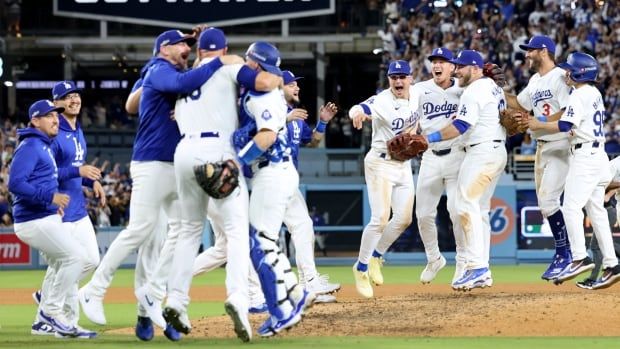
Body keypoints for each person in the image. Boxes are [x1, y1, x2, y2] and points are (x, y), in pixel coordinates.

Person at [78, 28, 241, 331]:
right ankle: (94, 290)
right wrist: (218, 61)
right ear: (164, 48)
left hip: (175, 164)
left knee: (179, 232)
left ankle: (152, 295)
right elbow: (179, 83)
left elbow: (180, 87)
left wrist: (205, 60)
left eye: (191, 45)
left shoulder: (171, 71)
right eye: (182, 44)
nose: (188, 49)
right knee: (140, 230)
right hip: (151, 162)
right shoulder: (159, 68)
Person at [139, 27, 279, 342]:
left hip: (184, 154)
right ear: (225, 48)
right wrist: (280, 78)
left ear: (199, 50)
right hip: (218, 151)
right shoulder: (228, 67)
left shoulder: (187, 75)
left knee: (188, 231)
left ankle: (175, 299)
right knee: (237, 233)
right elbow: (263, 81)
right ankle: (239, 300)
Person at [234, 41, 312, 337]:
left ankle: (280, 311)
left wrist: (239, 161)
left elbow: (266, 137)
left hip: (271, 173)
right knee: (264, 241)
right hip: (279, 173)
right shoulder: (269, 92)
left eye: (249, 61)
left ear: (254, 63)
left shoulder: (263, 94)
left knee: (259, 244)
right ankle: (294, 293)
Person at [527, 52, 620, 290]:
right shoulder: (595, 93)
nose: (566, 73)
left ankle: (580, 258)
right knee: (596, 212)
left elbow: (565, 125)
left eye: (570, 70)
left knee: (570, 207)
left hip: (585, 156)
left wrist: (539, 124)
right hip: (598, 157)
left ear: (580, 73)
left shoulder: (579, 94)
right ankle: (611, 265)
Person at [423, 50, 507, 291]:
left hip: (482, 152)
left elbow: (460, 126)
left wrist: (429, 137)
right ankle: (482, 269)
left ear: (476, 68)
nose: (456, 70)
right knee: (479, 210)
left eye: (461, 66)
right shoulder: (493, 87)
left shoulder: (475, 90)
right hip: (494, 149)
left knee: (464, 204)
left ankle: (476, 267)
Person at [29, 81, 107, 339]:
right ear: (56, 104)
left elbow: (77, 168)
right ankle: (57, 316)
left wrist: (92, 180)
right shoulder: (53, 132)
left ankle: (49, 296)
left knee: (91, 261)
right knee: (70, 262)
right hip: (59, 210)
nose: (74, 100)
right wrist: (78, 171)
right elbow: (48, 171)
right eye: (66, 97)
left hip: (79, 209)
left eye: (75, 95)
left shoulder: (77, 129)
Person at [8, 100, 83, 337]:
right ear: (35, 120)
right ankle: (50, 312)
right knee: (76, 257)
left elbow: (44, 179)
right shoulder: (30, 145)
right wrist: (49, 197)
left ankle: (45, 321)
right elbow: (15, 184)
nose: (55, 120)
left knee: (61, 263)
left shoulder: (44, 145)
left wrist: (51, 205)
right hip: (31, 220)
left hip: (44, 215)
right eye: (49, 116)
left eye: (56, 116)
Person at [348, 60, 418, 298]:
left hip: (403, 165)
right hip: (380, 162)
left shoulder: (418, 94)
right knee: (380, 219)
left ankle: (376, 256)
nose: (398, 81)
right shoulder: (382, 100)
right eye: (393, 77)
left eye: (402, 76)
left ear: (410, 78)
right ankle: (361, 267)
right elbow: (360, 108)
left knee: (405, 218)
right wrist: (356, 114)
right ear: (388, 79)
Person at [506, 35, 573, 281]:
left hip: (561, 145)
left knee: (549, 202)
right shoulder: (535, 80)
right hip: (542, 147)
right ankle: (570, 254)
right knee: (548, 206)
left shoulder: (561, 76)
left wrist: (540, 121)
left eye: (530, 50)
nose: (526, 55)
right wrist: (499, 88)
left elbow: (568, 111)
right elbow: (518, 105)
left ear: (543, 51)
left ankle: (565, 255)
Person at [280, 69, 341, 302]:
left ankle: (308, 284)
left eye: (297, 84)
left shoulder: (295, 117)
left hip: (287, 179)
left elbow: (313, 142)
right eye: (291, 84)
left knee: (303, 227)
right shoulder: (274, 113)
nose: (296, 88)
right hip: (271, 179)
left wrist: (323, 122)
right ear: (279, 88)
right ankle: (308, 282)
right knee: (298, 228)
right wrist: (283, 119)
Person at [409, 47, 467, 285]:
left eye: (443, 61)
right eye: (434, 61)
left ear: (453, 67)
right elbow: (395, 101)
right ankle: (434, 258)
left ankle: (463, 261)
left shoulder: (464, 89)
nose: (437, 65)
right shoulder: (420, 89)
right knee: (422, 214)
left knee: (457, 211)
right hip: (430, 157)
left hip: (458, 156)